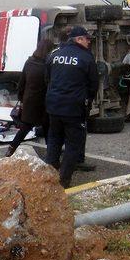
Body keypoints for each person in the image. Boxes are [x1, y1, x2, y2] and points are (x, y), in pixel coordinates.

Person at [45, 26, 98, 188]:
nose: (89, 42)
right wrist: (87, 100)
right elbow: (93, 84)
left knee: (54, 140)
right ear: (78, 39)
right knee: (73, 144)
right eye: (86, 39)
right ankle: (63, 180)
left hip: (53, 106)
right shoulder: (86, 57)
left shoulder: (54, 55)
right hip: (74, 108)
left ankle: (48, 176)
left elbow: (47, 78)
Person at [5, 39, 54, 157]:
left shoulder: (29, 62)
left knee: (25, 128)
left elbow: (22, 83)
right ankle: (51, 154)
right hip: (43, 102)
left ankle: (11, 149)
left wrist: (21, 99)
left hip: (29, 101)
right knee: (48, 127)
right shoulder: (48, 65)